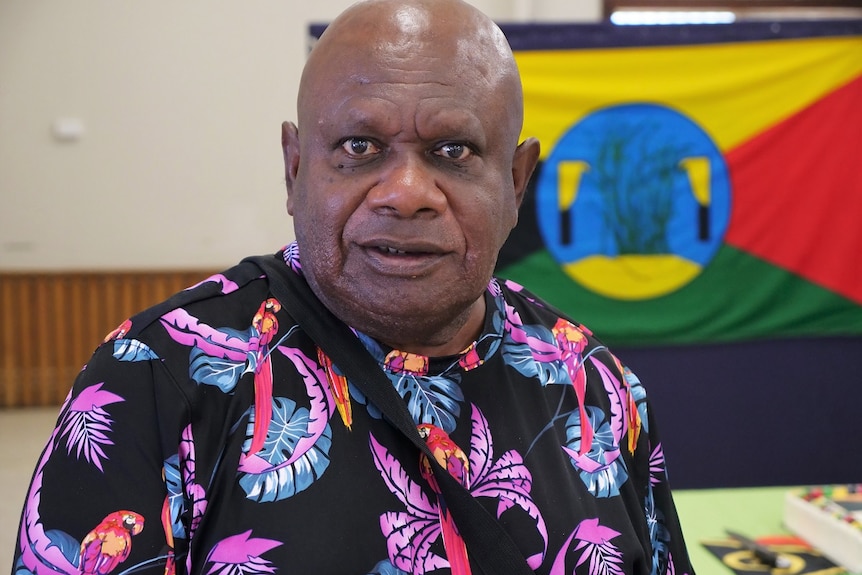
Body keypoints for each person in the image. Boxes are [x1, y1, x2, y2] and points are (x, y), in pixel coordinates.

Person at [12, 1, 695, 574]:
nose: (405, 194)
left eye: (453, 151)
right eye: (360, 147)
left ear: (516, 183)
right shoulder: (152, 381)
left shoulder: (595, 389)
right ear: (294, 167)